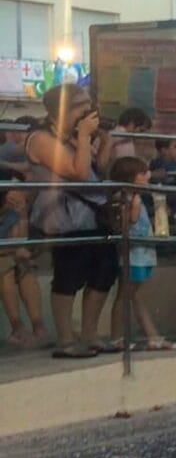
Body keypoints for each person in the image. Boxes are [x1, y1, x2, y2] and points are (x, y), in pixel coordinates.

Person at [26, 84, 117, 358]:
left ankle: (90, 335)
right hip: (63, 217)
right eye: (82, 106)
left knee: (104, 271)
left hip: (92, 214)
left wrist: (103, 142)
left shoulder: (72, 136)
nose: (89, 111)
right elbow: (77, 172)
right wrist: (86, 135)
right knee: (69, 275)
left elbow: (95, 170)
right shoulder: (42, 139)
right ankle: (65, 339)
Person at [106, 155, 176, 351]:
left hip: (141, 253)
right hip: (134, 255)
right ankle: (117, 337)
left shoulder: (130, 198)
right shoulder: (130, 200)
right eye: (142, 173)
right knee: (126, 295)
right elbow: (131, 224)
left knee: (132, 296)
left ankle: (151, 335)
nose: (147, 176)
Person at [0, 183, 46, 347]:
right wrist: (11, 251)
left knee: (24, 266)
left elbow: (21, 242)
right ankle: (17, 327)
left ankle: (38, 327)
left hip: (9, 255)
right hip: (4, 259)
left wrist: (22, 214)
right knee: (5, 267)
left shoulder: (12, 211)